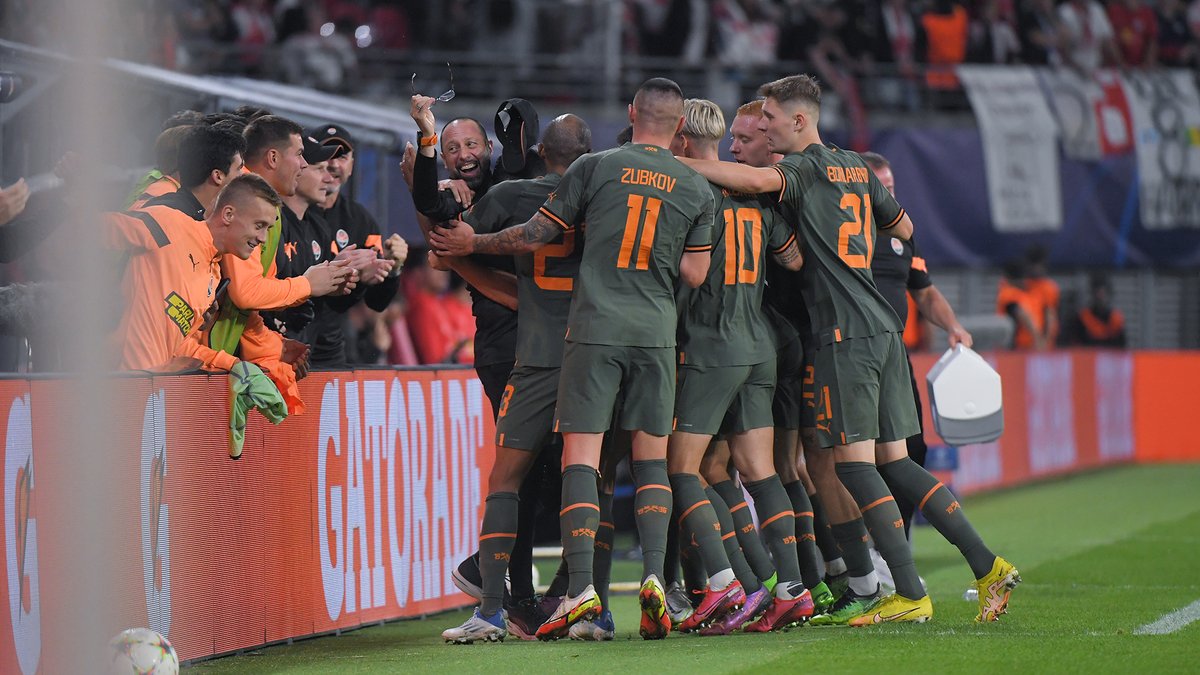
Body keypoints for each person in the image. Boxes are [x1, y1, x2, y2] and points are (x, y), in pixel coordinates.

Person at [680, 74, 1019, 626]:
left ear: (799, 120)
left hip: (843, 333)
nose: (764, 128)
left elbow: (750, 178)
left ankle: (908, 591)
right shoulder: (857, 167)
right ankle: (987, 565)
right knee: (895, 463)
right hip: (883, 326)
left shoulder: (802, 168)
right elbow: (904, 226)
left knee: (853, 467)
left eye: (769, 119)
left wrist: (678, 164)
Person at [431, 77, 715, 641]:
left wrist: (467, 247)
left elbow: (527, 235)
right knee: (634, 469)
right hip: (650, 338)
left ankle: (505, 608)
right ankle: (638, 587)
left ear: (631, 112)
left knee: (524, 476)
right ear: (681, 126)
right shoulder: (693, 186)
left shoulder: (586, 175)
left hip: (561, 344)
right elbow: (695, 273)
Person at [433, 114, 594, 644]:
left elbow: (443, 247)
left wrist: (464, 244)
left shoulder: (510, 194)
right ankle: (580, 601)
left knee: (510, 479)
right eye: (453, 146)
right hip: (597, 353)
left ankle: (494, 606)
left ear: (539, 150)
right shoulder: (606, 195)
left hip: (532, 351)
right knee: (589, 474)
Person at [664, 98, 814, 634]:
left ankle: (727, 583)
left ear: (682, 139)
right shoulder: (756, 197)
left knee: (678, 468)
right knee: (759, 471)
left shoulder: (688, 191)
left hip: (711, 346)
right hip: (759, 346)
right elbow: (794, 258)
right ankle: (790, 589)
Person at [729, 99, 865, 627]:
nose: (736, 148)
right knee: (798, 467)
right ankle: (829, 575)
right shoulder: (798, 183)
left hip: (795, 342)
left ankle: (838, 576)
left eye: (748, 138)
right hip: (782, 341)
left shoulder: (786, 186)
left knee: (806, 466)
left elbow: (797, 260)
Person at [309, 124, 406, 368]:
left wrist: (392, 269)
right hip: (284, 340)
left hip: (332, 348)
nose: (333, 164)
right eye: (326, 155)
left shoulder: (361, 220)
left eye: (342, 157)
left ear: (352, 166)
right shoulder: (292, 212)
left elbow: (377, 302)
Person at [996, 259, 1048, 350]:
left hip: (1028, 345)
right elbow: (1020, 313)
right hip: (1017, 347)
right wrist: (1037, 337)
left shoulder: (1024, 293)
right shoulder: (1009, 293)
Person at [1065, 273, 1126, 347]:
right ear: (1092, 294)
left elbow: (1121, 348)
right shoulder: (1082, 318)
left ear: (1109, 294)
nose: (1100, 298)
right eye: (1097, 293)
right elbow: (1075, 345)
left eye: (1103, 294)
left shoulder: (1115, 319)